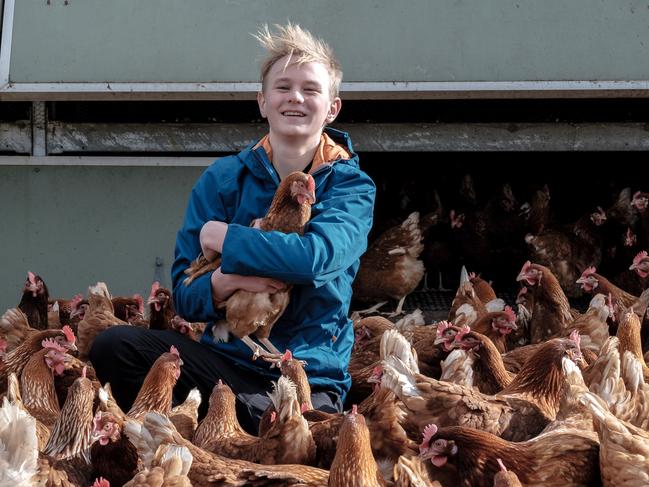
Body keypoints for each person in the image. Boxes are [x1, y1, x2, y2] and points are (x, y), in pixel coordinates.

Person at [90, 23, 375, 433]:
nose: (295, 97)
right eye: (283, 87)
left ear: (332, 108)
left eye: (311, 89)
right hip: (225, 358)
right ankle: (214, 422)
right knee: (114, 347)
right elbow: (185, 293)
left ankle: (226, 423)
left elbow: (314, 258)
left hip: (304, 372)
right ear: (262, 101)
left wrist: (222, 237)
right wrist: (229, 279)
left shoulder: (350, 185)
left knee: (284, 427)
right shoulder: (223, 178)